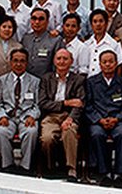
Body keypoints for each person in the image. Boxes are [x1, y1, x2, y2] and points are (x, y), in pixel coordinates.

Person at [38, 48, 86, 181]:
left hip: (69, 116)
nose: (61, 61)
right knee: (47, 138)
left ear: (71, 62)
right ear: (54, 61)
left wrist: (70, 118)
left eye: (65, 59)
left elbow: (80, 104)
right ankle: (50, 167)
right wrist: (65, 103)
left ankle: (71, 169)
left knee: (69, 132)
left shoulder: (78, 80)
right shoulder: (46, 79)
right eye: (58, 58)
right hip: (51, 117)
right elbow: (43, 103)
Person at [85, 49, 122, 187]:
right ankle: (103, 172)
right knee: (97, 134)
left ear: (116, 63)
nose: (108, 64)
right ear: (100, 64)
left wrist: (117, 118)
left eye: (111, 61)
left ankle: (119, 174)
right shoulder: (91, 82)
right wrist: (99, 120)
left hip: (117, 119)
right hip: (99, 120)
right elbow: (88, 105)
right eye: (105, 62)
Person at [0, 48, 41, 174]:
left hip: (26, 117)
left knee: (31, 132)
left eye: (22, 61)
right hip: (8, 117)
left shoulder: (35, 81)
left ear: (27, 63)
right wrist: (1, 116)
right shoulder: (2, 80)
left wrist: (32, 116)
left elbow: (38, 104)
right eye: (15, 61)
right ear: (10, 62)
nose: (18, 64)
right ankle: (7, 165)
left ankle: (26, 167)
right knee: (0, 132)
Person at [22, 7, 63, 78]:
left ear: (47, 22)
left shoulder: (55, 40)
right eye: (34, 18)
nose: (37, 22)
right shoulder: (25, 38)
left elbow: (58, 65)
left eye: (41, 19)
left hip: (46, 82)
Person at [84, 9, 122, 76]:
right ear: (91, 25)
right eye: (95, 22)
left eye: (101, 21)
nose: (98, 24)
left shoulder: (114, 44)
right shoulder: (86, 44)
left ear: (106, 23)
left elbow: (119, 65)